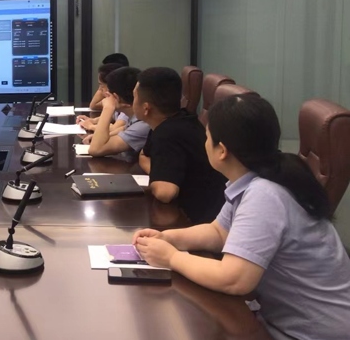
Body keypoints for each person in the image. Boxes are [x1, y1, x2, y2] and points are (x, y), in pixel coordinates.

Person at [134, 94, 350, 340]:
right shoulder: (260, 179)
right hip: (284, 322)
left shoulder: (265, 194)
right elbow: (218, 232)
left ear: (222, 151)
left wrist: (172, 258)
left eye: (207, 137)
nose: (204, 142)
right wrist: (167, 238)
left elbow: (234, 279)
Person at [133, 67, 226, 223]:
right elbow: (144, 156)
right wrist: (159, 174)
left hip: (198, 219)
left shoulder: (167, 134)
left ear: (146, 108)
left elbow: (165, 193)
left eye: (134, 97)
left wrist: (159, 178)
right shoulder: (180, 119)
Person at [86, 67, 150, 157]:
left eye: (108, 94)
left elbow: (95, 150)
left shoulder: (143, 124)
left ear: (116, 97)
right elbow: (123, 129)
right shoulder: (134, 118)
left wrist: (108, 108)